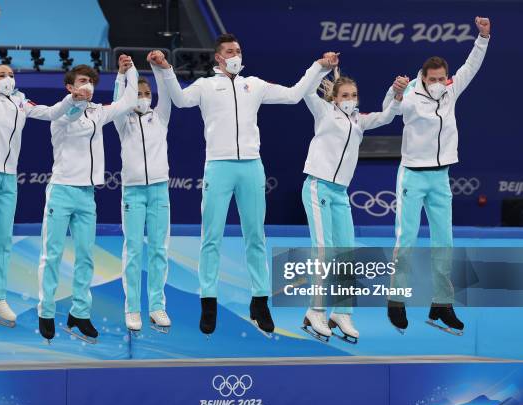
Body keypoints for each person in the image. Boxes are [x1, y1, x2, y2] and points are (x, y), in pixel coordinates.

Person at [151, 33, 334, 336]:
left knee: (256, 237)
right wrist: (165, 69)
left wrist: (317, 67)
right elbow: (181, 101)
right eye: (230, 50)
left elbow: (292, 95)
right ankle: (208, 302)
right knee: (211, 237)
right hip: (218, 167)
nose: (236, 53)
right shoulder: (206, 86)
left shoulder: (255, 85)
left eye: (238, 49)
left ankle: (259, 302)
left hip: (251, 166)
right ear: (218, 57)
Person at [0, 4, 90, 333]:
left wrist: (73, 99)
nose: (8, 78)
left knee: (3, 240)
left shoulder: (19, 101)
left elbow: (48, 112)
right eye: (2, 75)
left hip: (9, 178)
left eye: (10, 74)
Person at [383, 17, 490, 336]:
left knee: (444, 242)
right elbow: (389, 111)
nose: (440, 83)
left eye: (443, 78)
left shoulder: (450, 90)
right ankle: (396, 300)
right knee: (407, 240)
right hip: (412, 177)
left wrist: (483, 37)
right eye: (434, 79)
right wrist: (395, 91)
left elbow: (472, 66)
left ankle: (442, 304)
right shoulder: (412, 93)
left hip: (440, 178)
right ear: (423, 77)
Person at [37, 58, 139, 344]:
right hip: (60, 191)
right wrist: (74, 100)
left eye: (91, 82)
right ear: (70, 86)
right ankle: (45, 312)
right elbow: (68, 115)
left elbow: (129, 99)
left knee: (85, 256)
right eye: (82, 82)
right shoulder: (60, 113)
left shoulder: (98, 113)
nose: (88, 87)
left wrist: (127, 71)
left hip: (87, 195)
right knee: (52, 254)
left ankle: (80, 313)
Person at [300, 64, 403, 344]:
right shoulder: (324, 112)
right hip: (317, 186)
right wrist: (321, 67)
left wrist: (394, 94)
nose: (349, 99)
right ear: (334, 97)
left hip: (340, 194)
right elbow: (307, 89)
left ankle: (342, 313)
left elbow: (386, 117)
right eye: (344, 95)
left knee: (346, 255)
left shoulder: (358, 120)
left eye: (353, 95)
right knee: (324, 252)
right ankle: (315, 311)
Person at [114, 50, 173, 334]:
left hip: (160, 191)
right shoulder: (123, 122)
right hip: (133, 193)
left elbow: (167, 94)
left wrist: (158, 68)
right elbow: (117, 102)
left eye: (146, 92)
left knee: (159, 250)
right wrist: (122, 75)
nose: (143, 96)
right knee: (134, 250)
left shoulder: (159, 118)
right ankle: (132, 309)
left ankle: (157, 307)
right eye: (138, 92)